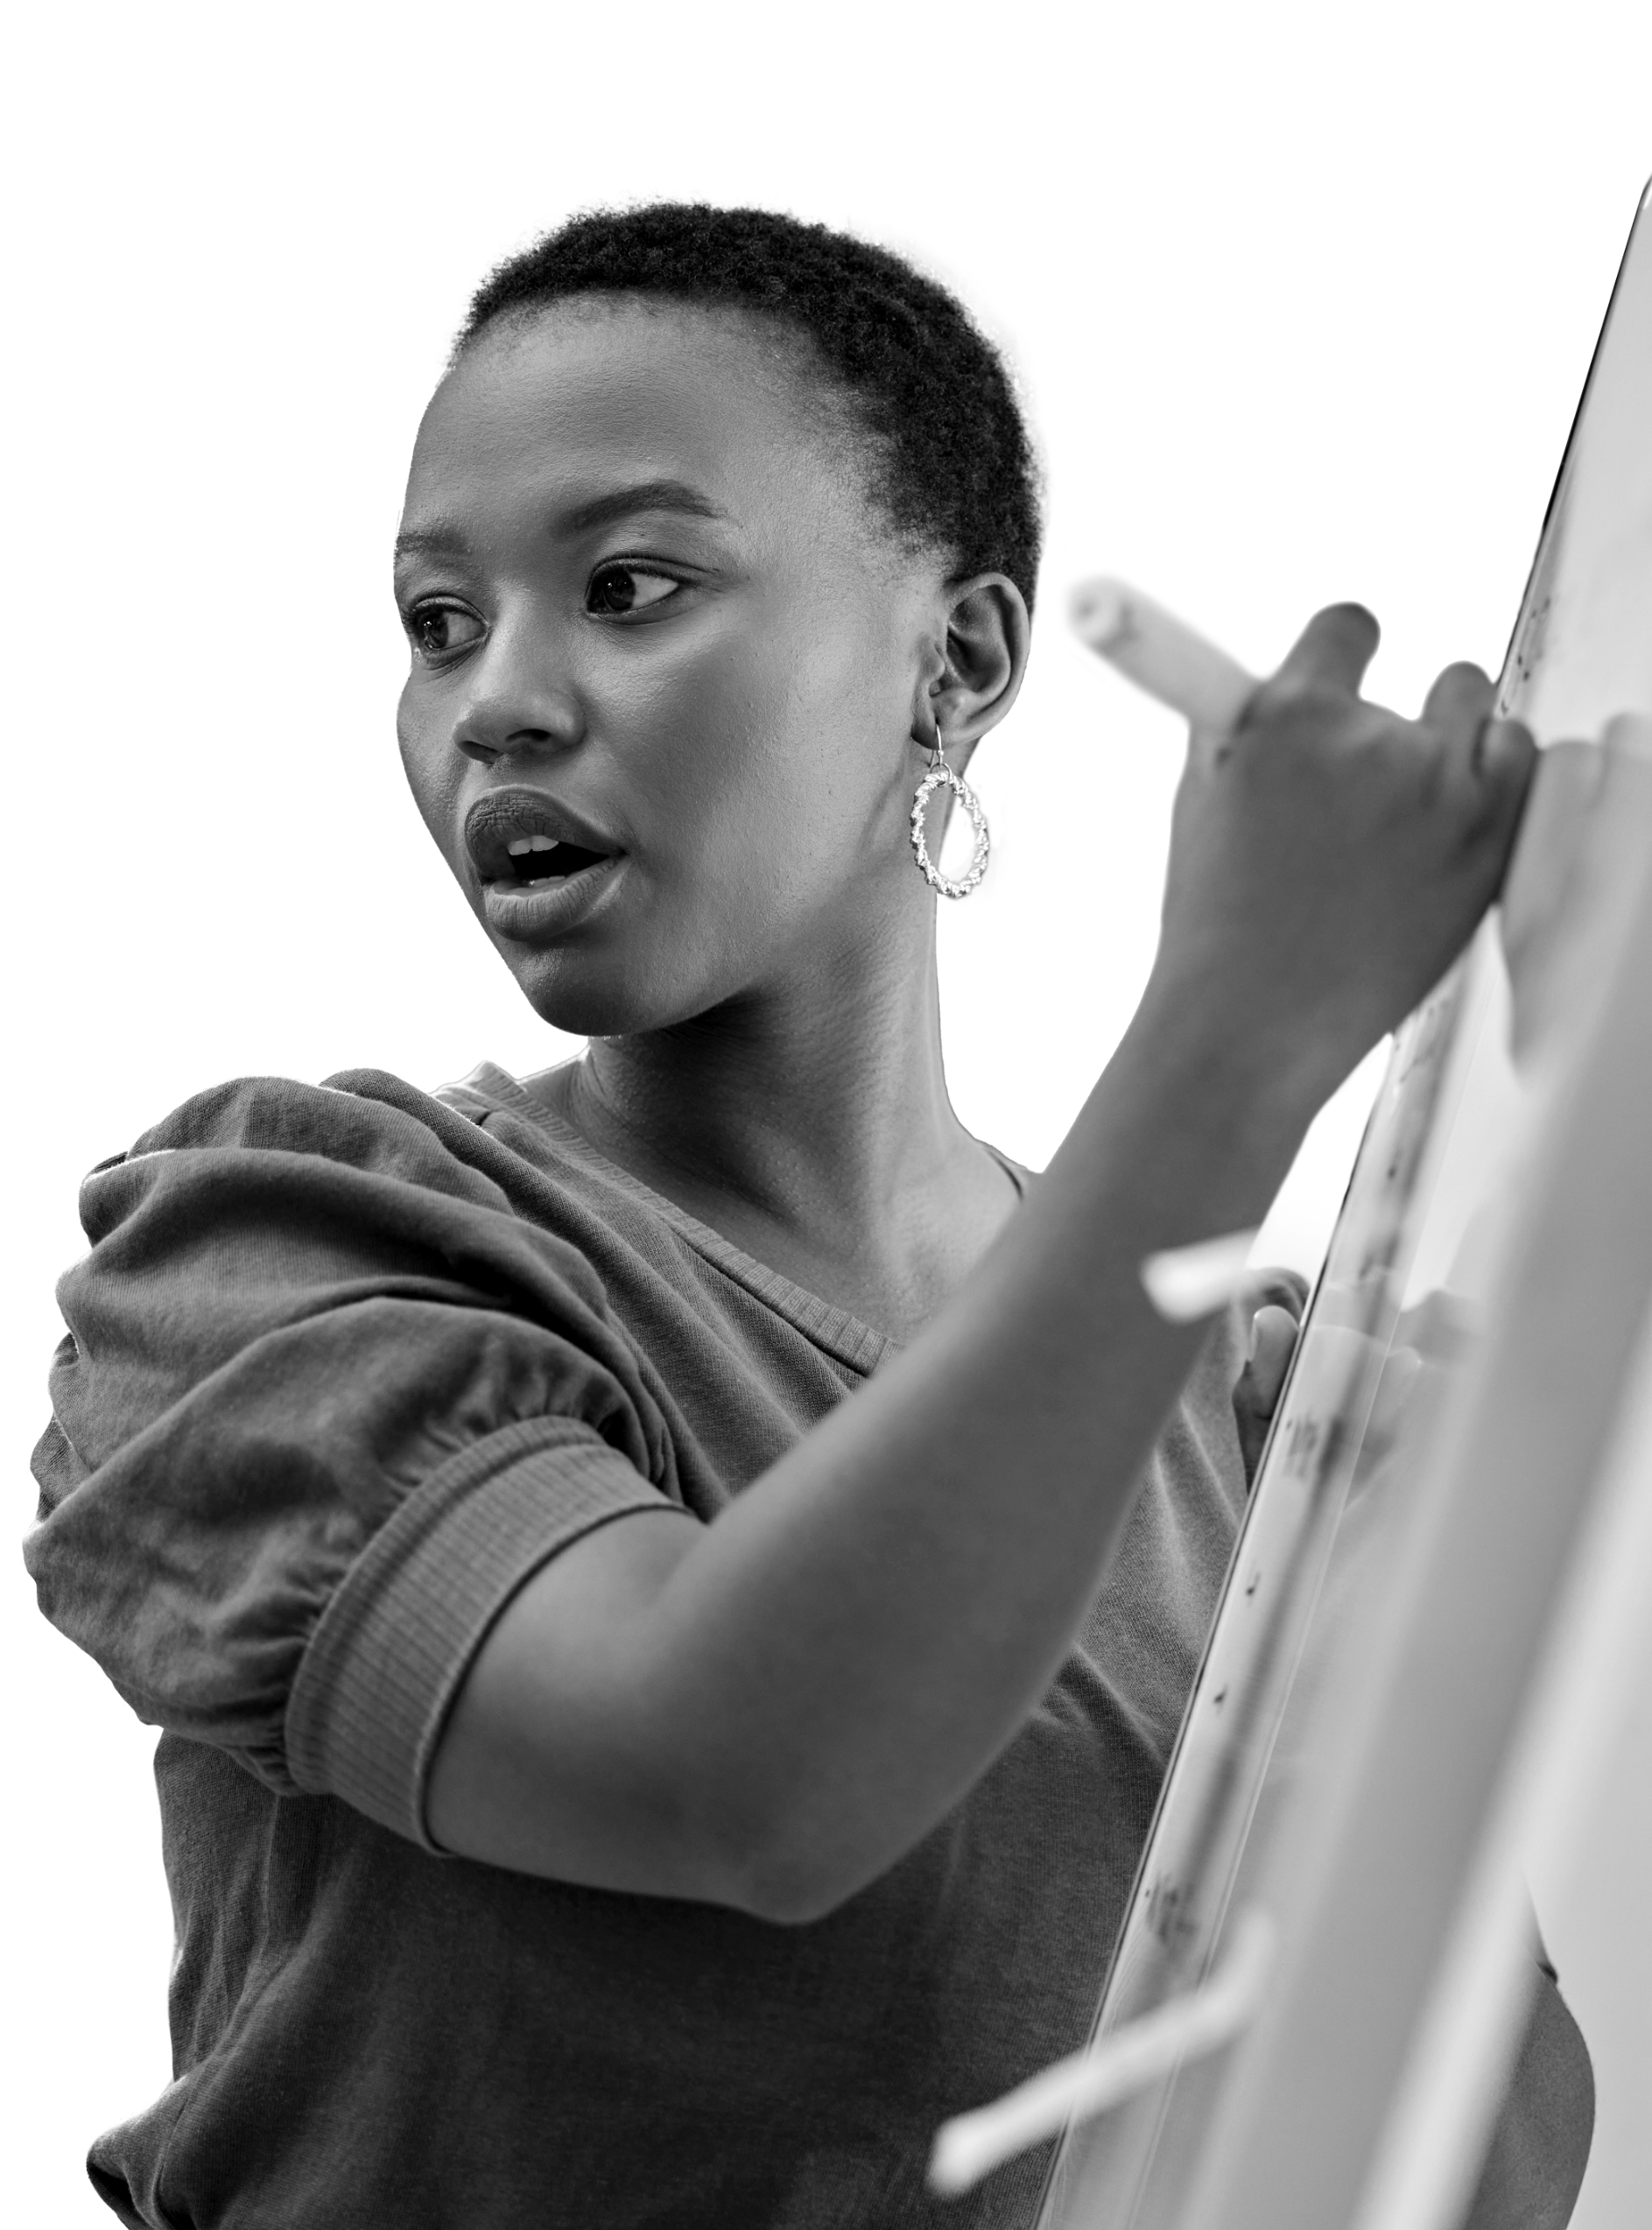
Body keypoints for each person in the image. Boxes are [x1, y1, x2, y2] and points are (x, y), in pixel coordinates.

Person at [24, 188, 1590, 2227]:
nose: (496, 696)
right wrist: (1241, 1027)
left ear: (957, 662)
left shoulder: (1235, 1409)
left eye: (631, 582)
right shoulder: (270, 1248)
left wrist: (1400, 1656)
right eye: (435, 621)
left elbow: (1485, 2179)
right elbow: (735, 1774)